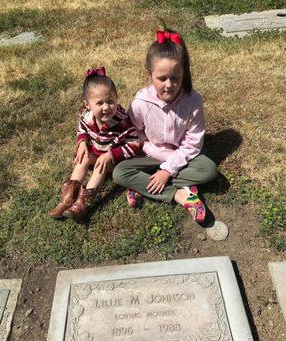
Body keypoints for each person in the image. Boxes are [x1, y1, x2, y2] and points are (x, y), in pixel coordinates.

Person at [113, 28, 217, 223]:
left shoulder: (193, 101)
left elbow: (192, 144)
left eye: (175, 78)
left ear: (183, 73)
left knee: (208, 170)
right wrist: (147, 147)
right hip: (150, 154)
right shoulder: (141, 102)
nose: (169, 85)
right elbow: (134, 133)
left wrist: (167, 170)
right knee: (119, 172)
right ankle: (181, 195)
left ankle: (143, 183)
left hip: (181, 156)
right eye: (161, 78)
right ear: (149, 74)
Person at [48, 67, 139, 221]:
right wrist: (82, 142)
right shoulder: (87, 117)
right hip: (95, 152)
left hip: (112, 160)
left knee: (99, 167)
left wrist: (111, 155)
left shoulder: (122, 121)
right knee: (82, 159)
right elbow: (81, 129)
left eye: (111, 101)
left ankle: (84, 201)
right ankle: (68, 197)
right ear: (88, 105)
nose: (106, 107)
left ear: (117, 98)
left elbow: (134, 143)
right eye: (99, 103)